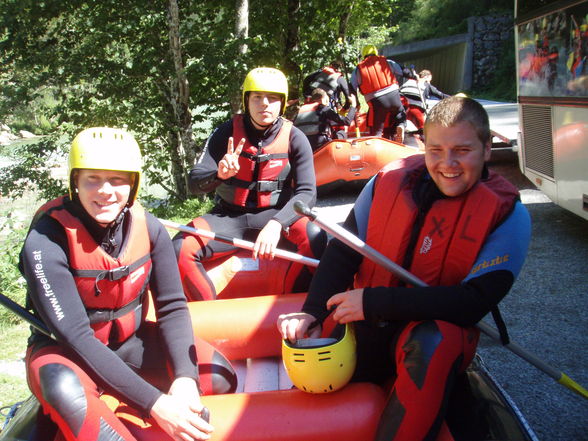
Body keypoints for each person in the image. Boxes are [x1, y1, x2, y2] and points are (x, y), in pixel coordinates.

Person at [278, 96, 531, 441]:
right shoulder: (390, 180)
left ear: (488, 148)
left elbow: (473, 302)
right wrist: (312, 311)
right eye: (436, 150)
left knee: (432, 340)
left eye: (462, 150)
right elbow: (343, 251)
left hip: (429, 332)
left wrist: (374, 302)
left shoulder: (509, 215)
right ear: (423, 146)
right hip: (369, 325)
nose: (448, 164)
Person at [20, 127, 236, 441]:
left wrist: (186, 380)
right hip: (67, 354)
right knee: (65, 388)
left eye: (117, 179)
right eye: (92, 178)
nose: (105, 191)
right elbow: (76, 336)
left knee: (219, 377)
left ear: (133, 184)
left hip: (129, 343)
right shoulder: (46, 240)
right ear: (74, 182)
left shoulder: (147, 227)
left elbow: (173, 307)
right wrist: (156, 405)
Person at [174, 67, 326, 301]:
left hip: (276, 216)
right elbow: (194, 183)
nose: (264, 104)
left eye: (272, 98)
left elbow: (307, 194)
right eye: (257, 97)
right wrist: (219, 176)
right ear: (247, 100)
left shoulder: (295, 138)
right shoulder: (225, 133)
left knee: (315, 237)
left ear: (282, 103)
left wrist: (277, 224)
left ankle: (300, 306)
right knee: (180, 248)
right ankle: (208, 315)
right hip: (229, 217)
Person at [350, 44, 406, 138]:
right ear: (376, 52)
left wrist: (357, 104)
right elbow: (404, 71)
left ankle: (377, 138)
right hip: (394, 96)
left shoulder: (358, 70)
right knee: (400, 113)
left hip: (377, 102)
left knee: (377, 129)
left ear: (364, 55)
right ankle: (401, 125)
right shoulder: (387, 62)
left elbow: (352, 88)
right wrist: (414, 75)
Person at [400, 68, 450, 140]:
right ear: (426, 77)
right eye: (429, 80)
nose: (429, 82)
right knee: (423, 129)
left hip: (402, 108)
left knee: (399, 124)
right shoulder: (426, 84)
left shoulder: (407, 82)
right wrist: (453, 98)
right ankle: (424, 141)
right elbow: (440, 95)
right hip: (415, 109)